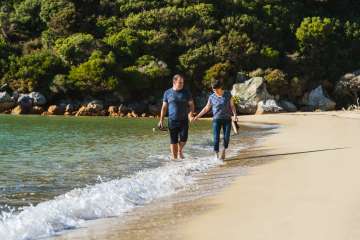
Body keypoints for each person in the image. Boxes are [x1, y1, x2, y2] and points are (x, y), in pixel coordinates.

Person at [192, 79, 238, 160]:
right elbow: (206, 108)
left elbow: (232, 106)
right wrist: (197, 116)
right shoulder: (212, 97)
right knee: (216, 138)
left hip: (227, 119)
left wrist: (235, 115)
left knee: (226, 138)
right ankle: (216, 156)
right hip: (216, 120)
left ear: (220, 87)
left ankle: (223, 151)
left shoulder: (227, 94)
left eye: (216, 89)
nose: (215, 91)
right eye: (213, 90)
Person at [159, 74, 195, 160]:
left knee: (184, 139)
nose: (182, 84)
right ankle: (174, 159)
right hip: (172, 120)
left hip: (184, 120)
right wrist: (161, 120)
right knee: (173, 140)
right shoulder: (167, 93)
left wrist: (190, 115)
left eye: (183, 82)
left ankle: (179, 150)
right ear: (174, 82)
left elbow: (191, 105)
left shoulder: (186, 92)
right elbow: (164, 107)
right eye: (180, 82)